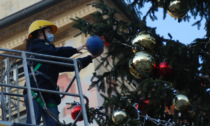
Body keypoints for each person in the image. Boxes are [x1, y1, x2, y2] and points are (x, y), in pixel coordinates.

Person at [23, 20, 102, 126]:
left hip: (49, 93)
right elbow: (55, 52)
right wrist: (74, 50)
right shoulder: (36, 46)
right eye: (48, 31)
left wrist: (90, 57)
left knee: (53, 123)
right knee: (33, 123)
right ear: (40, 32)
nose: (51, 34)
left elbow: (71, 65)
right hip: (35, 90)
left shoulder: (50, 56)